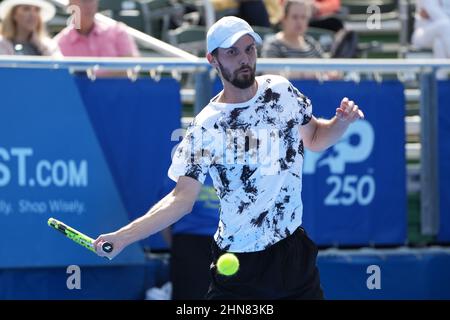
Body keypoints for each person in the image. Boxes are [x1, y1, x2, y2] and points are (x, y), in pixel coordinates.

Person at [93, 16, 364, 299]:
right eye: (232, 52)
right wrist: (122, 237)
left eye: (249, 49)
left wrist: (340, 123)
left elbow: (315, 138)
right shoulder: (206, 126)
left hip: (293, 254)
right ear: (213, 60)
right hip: (239, 264)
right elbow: (180, 200)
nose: (244, 58)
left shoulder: (281, 91)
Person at [54, 0, 139, 58]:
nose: (89, 5)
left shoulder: (118, 32)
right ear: (71, 4)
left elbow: (131, 69)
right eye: (84, 0)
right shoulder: (59, 43)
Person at [411, 0, 450, 79]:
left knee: (439, 43)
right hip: (422, 34)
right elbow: (436, 13)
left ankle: (440, 80)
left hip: (442, 37)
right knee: (445, 25)